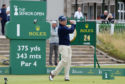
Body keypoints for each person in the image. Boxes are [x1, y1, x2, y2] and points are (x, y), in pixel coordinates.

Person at [49, 16, 76, 81]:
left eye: (65, 20)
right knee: (64, 61)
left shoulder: (64, 26)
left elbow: (70, 30)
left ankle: (66, 76)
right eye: (64, 20)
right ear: (60, 21)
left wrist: (73, 24)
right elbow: (71, 30)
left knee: (68, 62)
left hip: (68, 45)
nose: (65, 21)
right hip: (63, 46)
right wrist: (74, 24)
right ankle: (53, 73)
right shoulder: (61, 28)